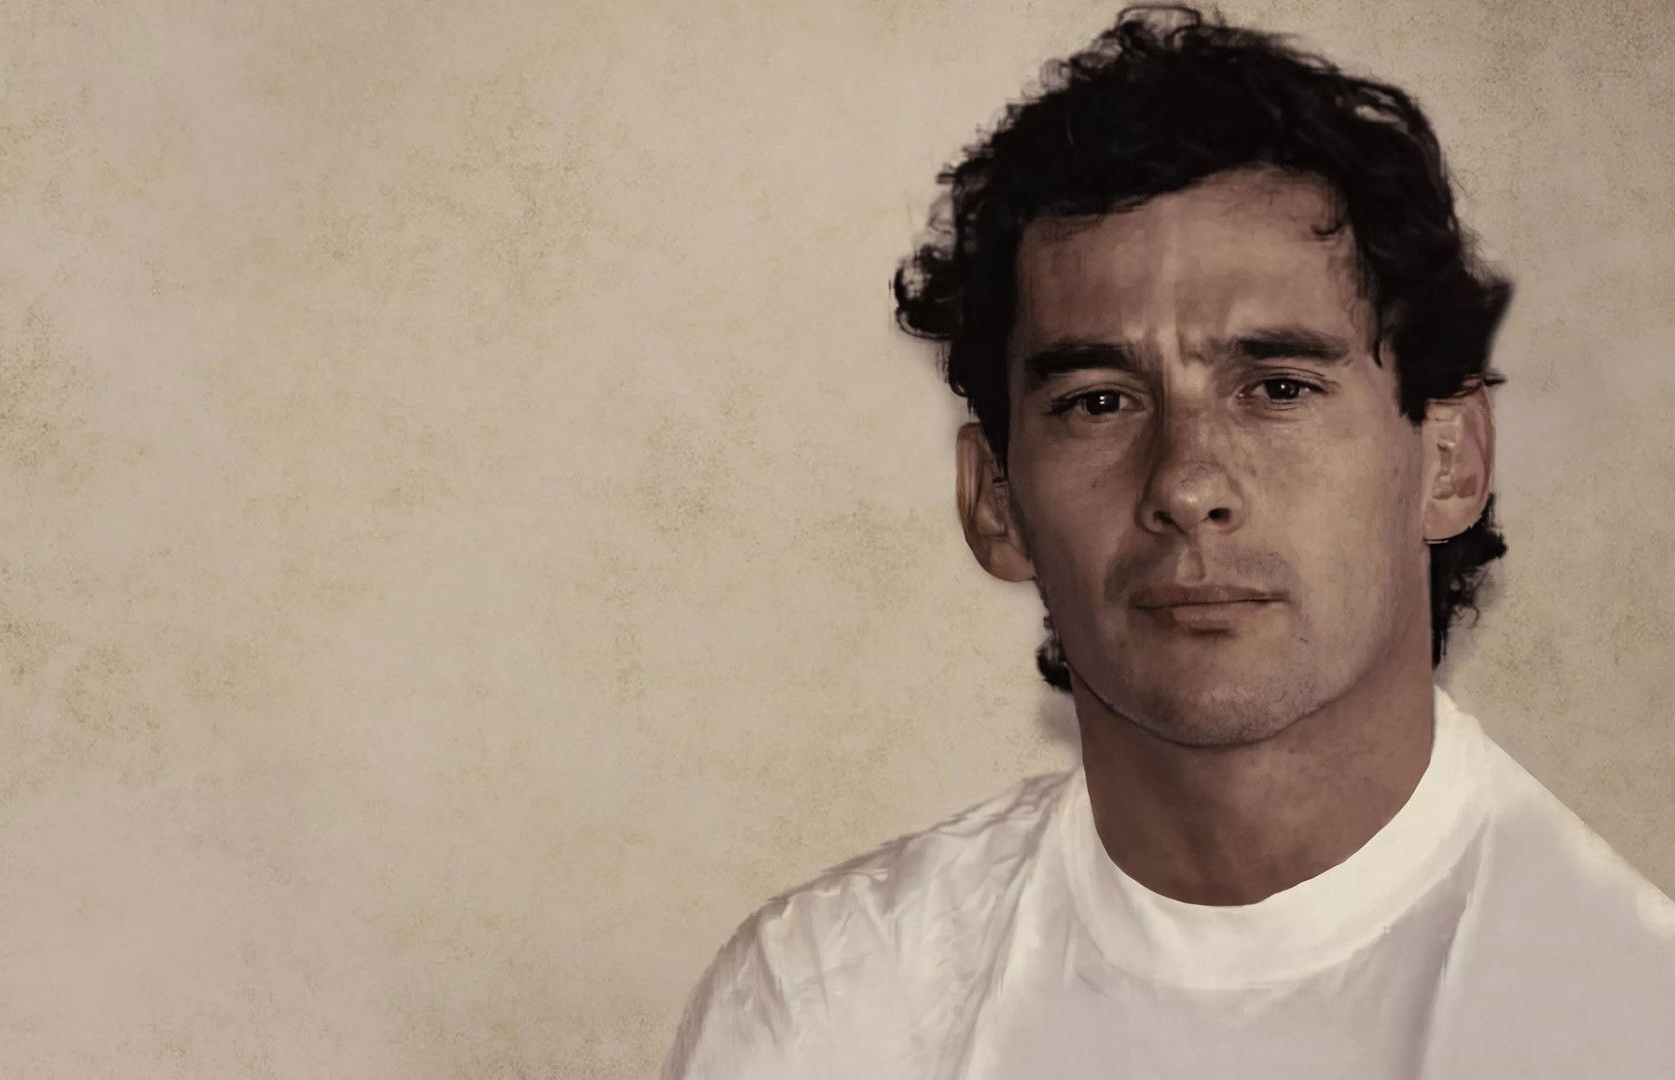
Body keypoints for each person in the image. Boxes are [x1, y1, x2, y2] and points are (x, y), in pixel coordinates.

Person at [659, 7, 1675, 1079]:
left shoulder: (1633, 1018)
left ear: (1450, 462)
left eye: (1278, 388)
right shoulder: (828, 1007)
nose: (1187, 483)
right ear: (995, 500)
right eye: (1099, 402)